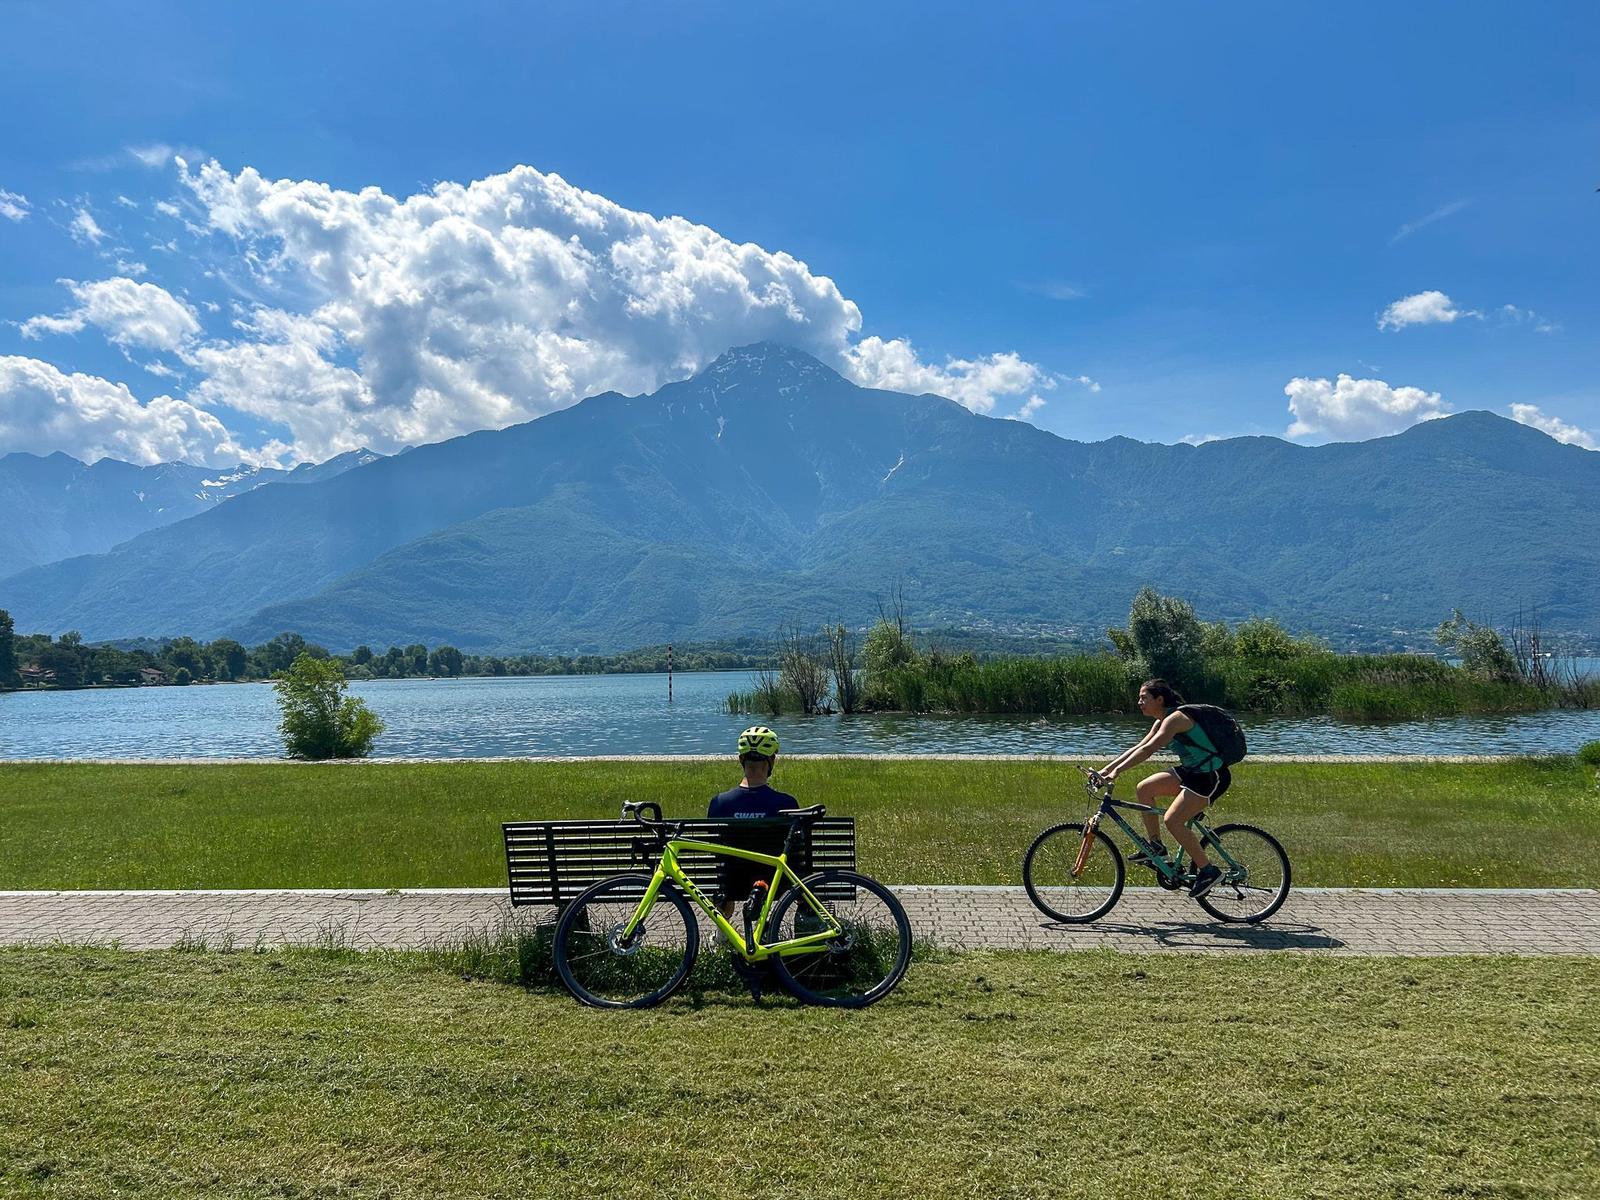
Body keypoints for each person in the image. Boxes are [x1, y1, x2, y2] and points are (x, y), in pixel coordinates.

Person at [1097, 679, 1229, 898]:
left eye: (1143, 698)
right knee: (1144, 788)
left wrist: (1116, 772)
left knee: (1173, 820)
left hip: (1210, 775)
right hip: (1192, 771)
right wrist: (1105, 771)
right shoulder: (1161, 721)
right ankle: (1155, 846)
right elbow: (1138, 746)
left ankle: (1208, 870)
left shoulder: (1176, 719)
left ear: (1159, 699)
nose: (1139, 702)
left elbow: (1148, 750)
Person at [709, 725, 799, 920]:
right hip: (777, 882)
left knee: (725, 871)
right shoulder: (787, 803)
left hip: (731, 882)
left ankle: (722, 935)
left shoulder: (719, 803)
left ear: (741, 759)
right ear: (772, 760)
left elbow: (715, 849)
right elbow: (796, 852)